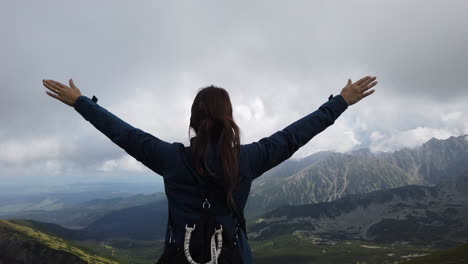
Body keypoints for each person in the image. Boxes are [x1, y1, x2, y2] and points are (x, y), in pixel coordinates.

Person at [42, 76, 377, 264]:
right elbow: (294, 136)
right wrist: (340, 101)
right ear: (229, 117)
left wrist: (81, 103)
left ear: (192, 121)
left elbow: (125, 134)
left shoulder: (170, 159)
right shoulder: (249, 159)